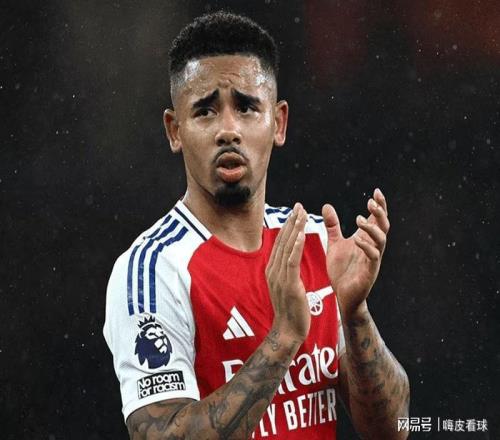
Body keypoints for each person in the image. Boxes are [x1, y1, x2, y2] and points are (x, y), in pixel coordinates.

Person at [103, 11, 410, 440]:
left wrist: (354, 312)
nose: (228, 130)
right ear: (175, 131)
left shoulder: (315, 243)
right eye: (205, 111)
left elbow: (393, 430)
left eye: (246, 107)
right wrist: (284, 337)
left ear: (278, 123)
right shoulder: (152, 271)